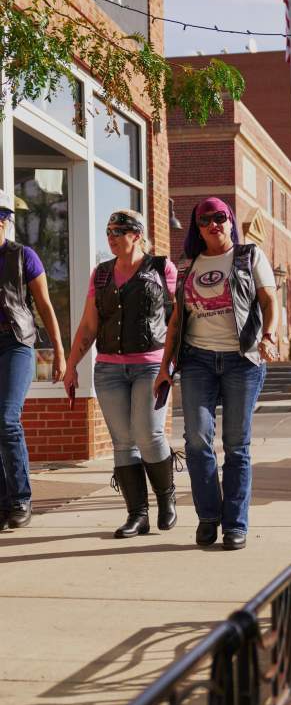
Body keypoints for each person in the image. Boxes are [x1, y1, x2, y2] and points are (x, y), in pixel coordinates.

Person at [154, 197, 279, 551]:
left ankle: (235, 524)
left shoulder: (249, 256)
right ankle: (209, 517)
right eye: (205, 219)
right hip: (197, 362)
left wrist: (268, 335)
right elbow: (177, 318)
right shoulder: (188, 263)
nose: (214, 224)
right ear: (198, 227)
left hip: (243, 360)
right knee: (196, 441)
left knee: (237, 446)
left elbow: (270, 300)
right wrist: (165, 367)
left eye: (220, 217)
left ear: (230, 221)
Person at [64, 210, 178, 539]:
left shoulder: (161, 268)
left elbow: (177, 319)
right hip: (109, 368)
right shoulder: (101, 274)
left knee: (149, 434)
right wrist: (72, 365)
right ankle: (137, 515)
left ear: (136, 234)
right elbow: (89, 325)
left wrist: (168, 366)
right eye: (108, 231)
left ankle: (166, 498)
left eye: (119, 230)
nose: (112, 236)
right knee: (123, 442)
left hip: (150, 365)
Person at [0, 190, 66, 531]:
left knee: (7, 419)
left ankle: (21, 499)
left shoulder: (23, 256)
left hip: (15, 344)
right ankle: (4, 502)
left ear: (5, 223)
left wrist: (58, 350)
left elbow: (44, 306)